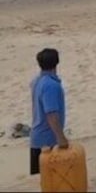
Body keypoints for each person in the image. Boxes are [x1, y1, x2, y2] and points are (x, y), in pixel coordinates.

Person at [30, 48, 68, 176]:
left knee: (44, 181)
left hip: (37, 138)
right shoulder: (51, 85)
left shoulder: (36, 81)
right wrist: (61, 138)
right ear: (57, 62)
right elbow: (51, 114)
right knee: (52, 180)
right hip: (47, 141)